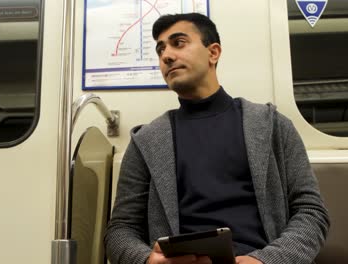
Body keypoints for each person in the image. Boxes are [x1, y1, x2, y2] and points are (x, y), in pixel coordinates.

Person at [105, 13, 330, 264]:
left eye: (178, 43)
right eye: (160, 50)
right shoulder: (146, 141)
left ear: (213, 53)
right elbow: (120, 230)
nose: (166, 55)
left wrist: (267, 261)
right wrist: (148, 261)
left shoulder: (272, 125)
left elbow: (311, 212)